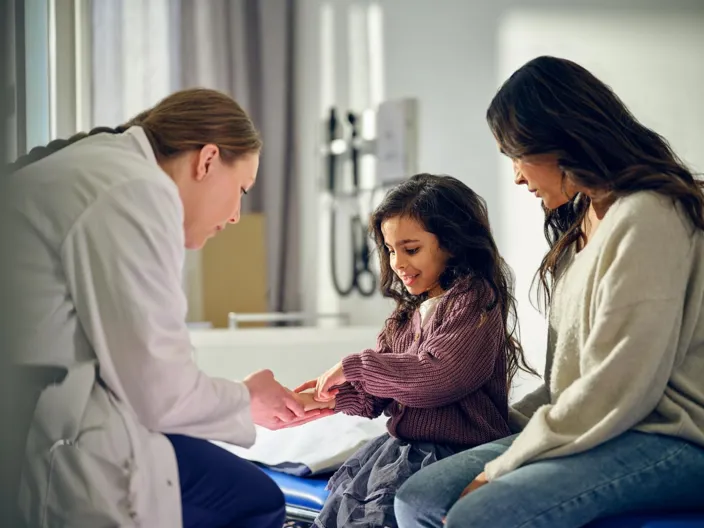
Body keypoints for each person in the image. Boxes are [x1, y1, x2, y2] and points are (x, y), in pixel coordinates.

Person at [394, 56, 704, 528]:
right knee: (417, 498)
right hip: (607, 423)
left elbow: (619, 388)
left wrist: (501, 465)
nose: (517, 176)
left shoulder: (648, 216)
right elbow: (572, 380)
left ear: (560, 142)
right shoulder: (583, 224)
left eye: (517, 156)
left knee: (480, 514)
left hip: (670, 435)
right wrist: (500, 425)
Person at [0, 88, 332, 527]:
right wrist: (246, 398)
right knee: (253, 499)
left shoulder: (102, 165)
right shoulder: (136, 189)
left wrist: (239, 399)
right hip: (50, 438)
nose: (235, 216)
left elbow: (143, 370)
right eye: (242, 189)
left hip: (49, 413)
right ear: (208, 160)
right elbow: (159, 392)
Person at [294, 174, 535, 527]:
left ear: (451, 243)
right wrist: (328, 399)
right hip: (401, 450)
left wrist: (356, 367)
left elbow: (438, 376)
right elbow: (378, 397)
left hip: (449, 452)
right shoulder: (406, 315)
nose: (398, 263)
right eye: (391, 250)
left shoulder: (473, 299)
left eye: (411, 249)